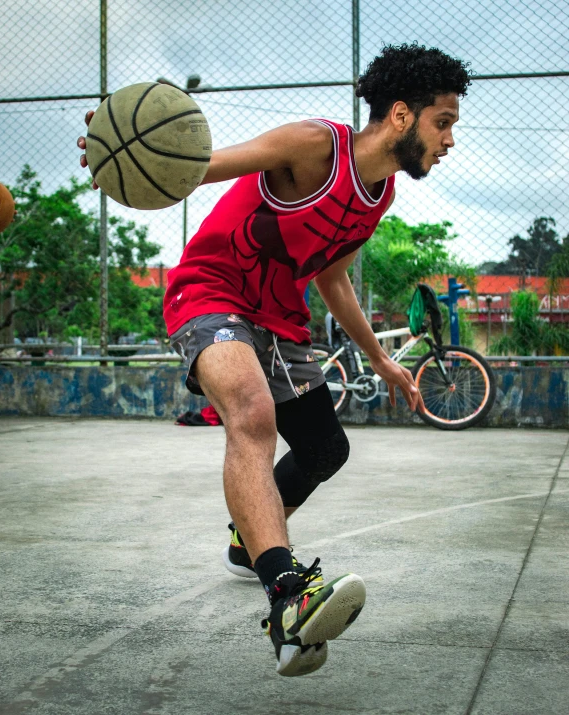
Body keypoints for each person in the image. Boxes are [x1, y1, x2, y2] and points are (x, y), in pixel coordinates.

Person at [78, 43, 471, 677]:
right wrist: (122, 150)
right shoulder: (314, 145)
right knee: (252, 415)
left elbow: (334, 280)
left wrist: (383, 361)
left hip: (279, 321)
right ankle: (288, 595)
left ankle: (247, 538)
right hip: (211, 292)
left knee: (325, 451)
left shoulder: (380, 195)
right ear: (401, 115)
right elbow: (197, 164)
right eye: (443, 122)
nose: (450, 139)